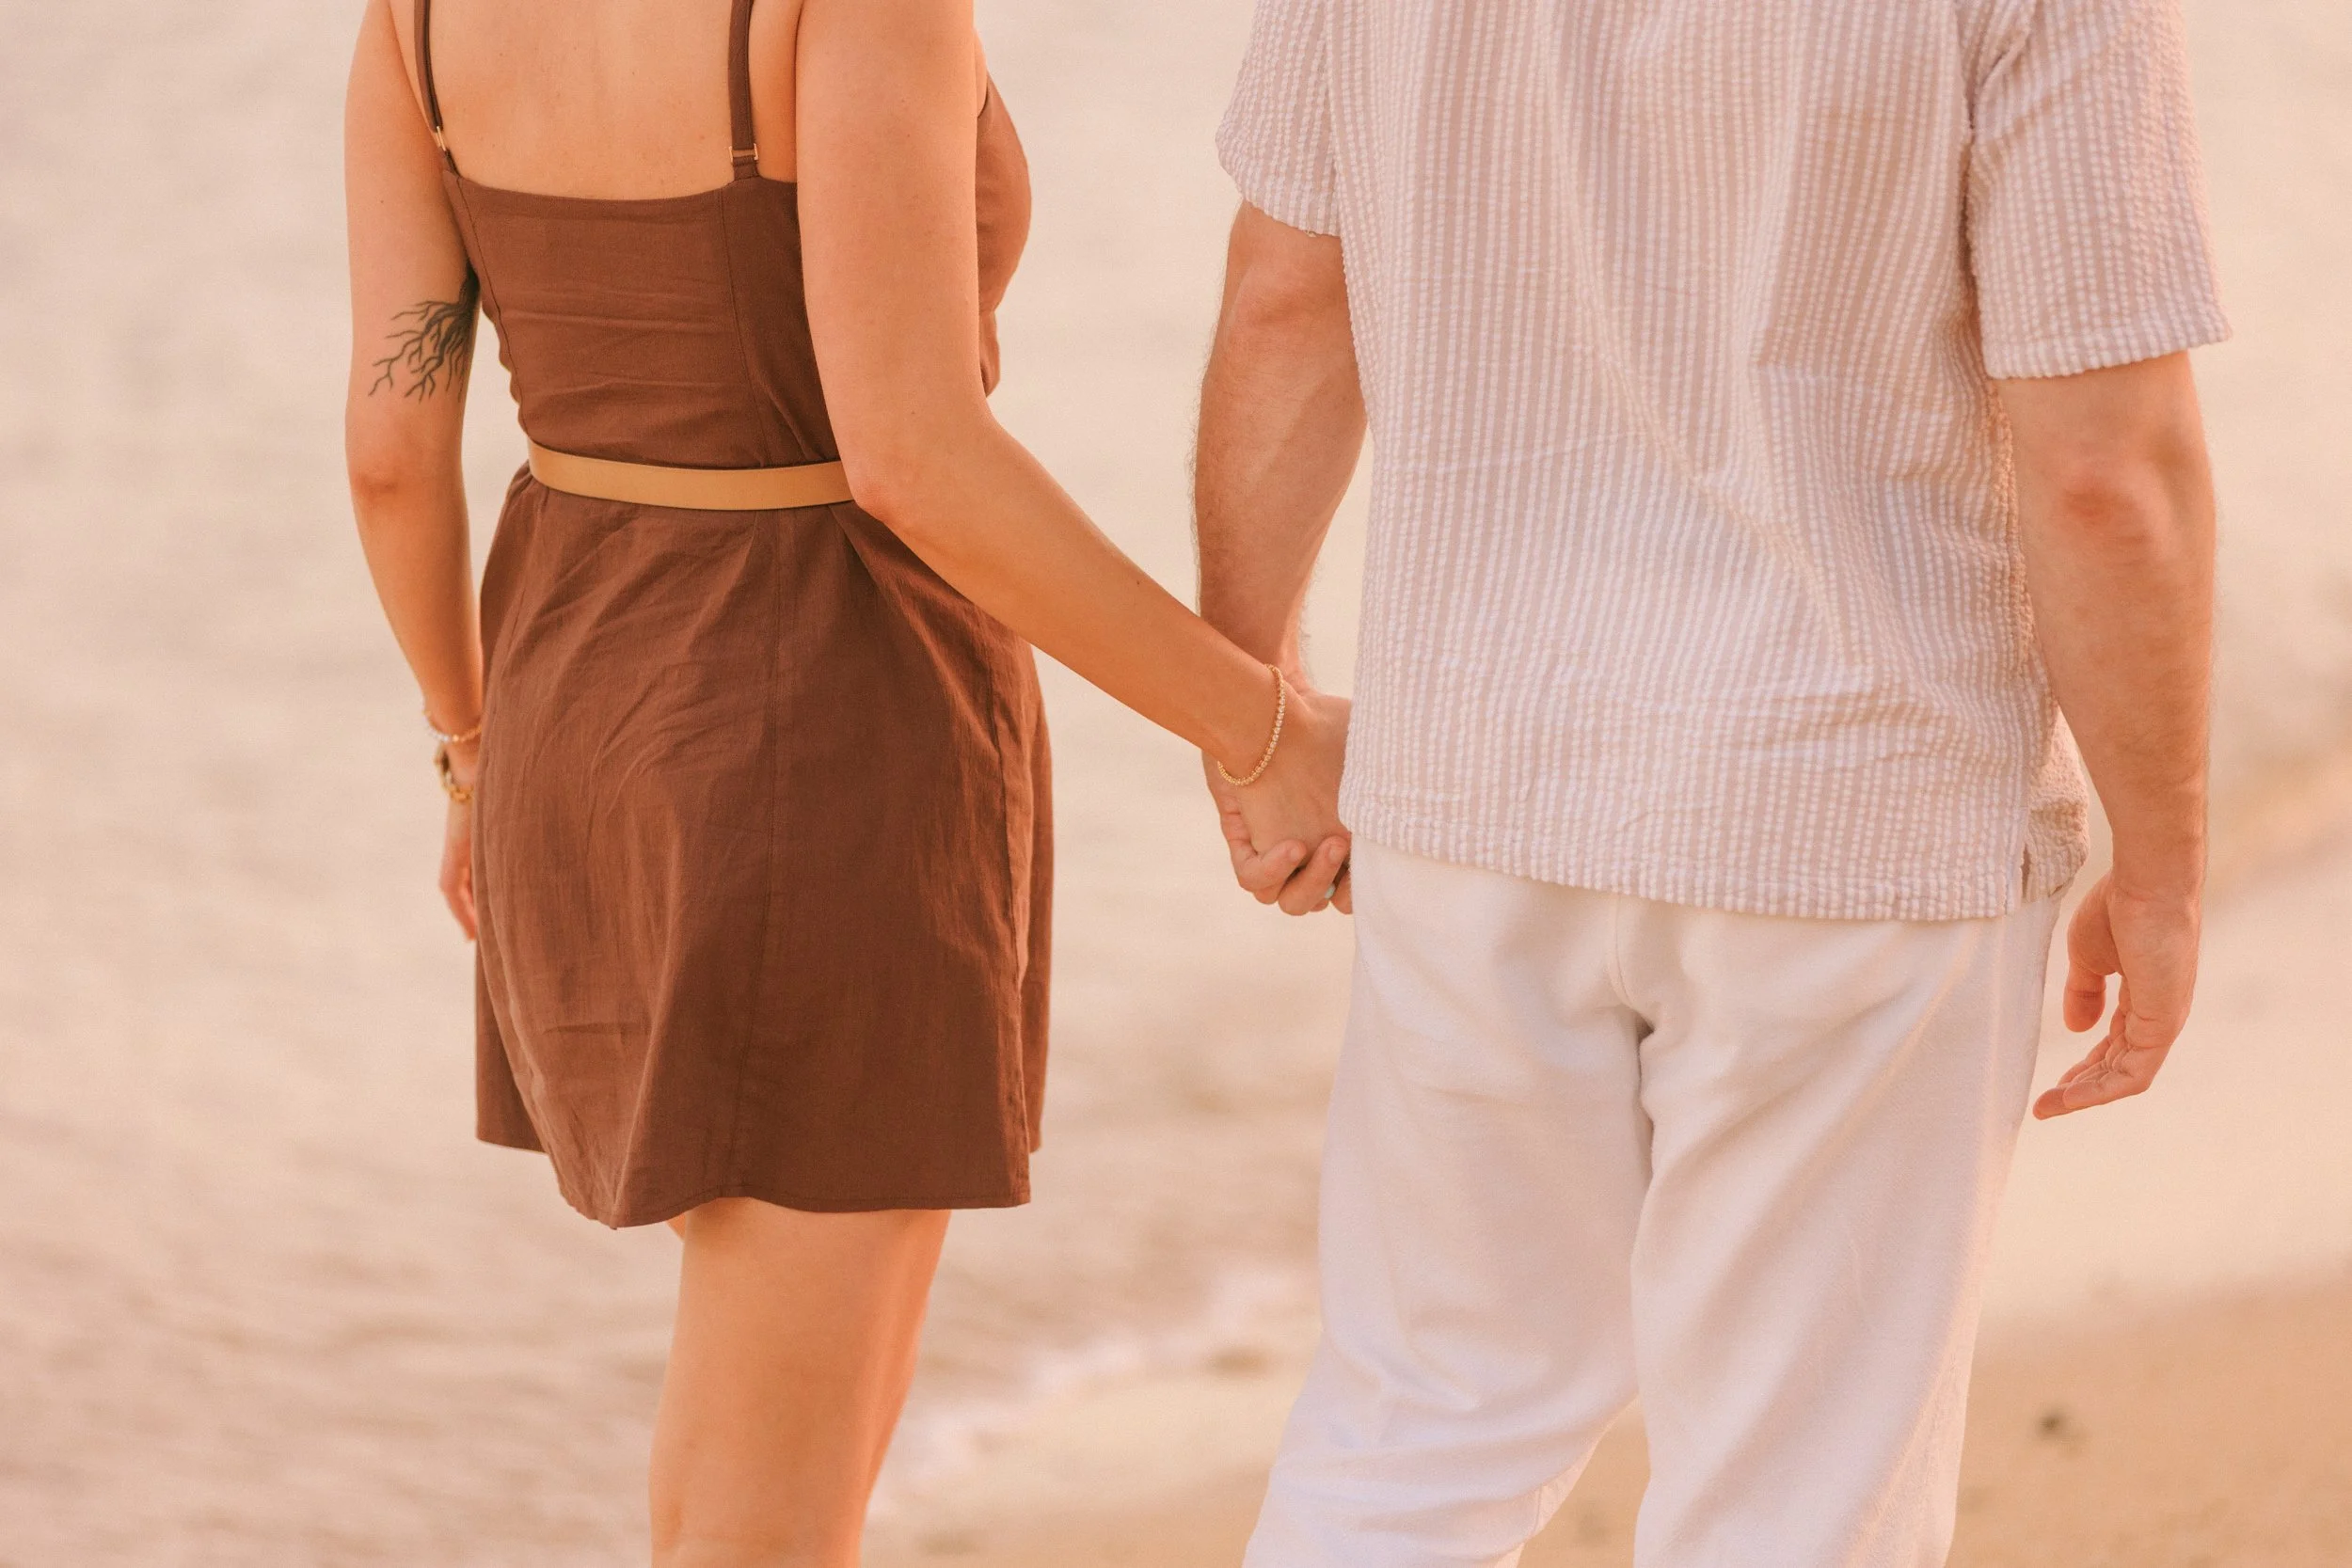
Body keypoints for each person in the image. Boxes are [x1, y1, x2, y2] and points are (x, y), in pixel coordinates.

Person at [1195, 0, 2225, 1561]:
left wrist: (1252, 711)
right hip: (1852, 816)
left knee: (1423, 1426)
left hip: (1476, 785)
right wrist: (2162, 862)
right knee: (1797, 1499)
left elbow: (1288, 302)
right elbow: (2104, 466)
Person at [340, 0, 1349, 1560]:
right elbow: (914, 455)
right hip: (824, 717)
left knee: (738, 1442)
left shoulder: (409, 21)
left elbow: (394, 446)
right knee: (770, 1518)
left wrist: (471, 755)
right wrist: (1261, 729)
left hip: (568, 712)